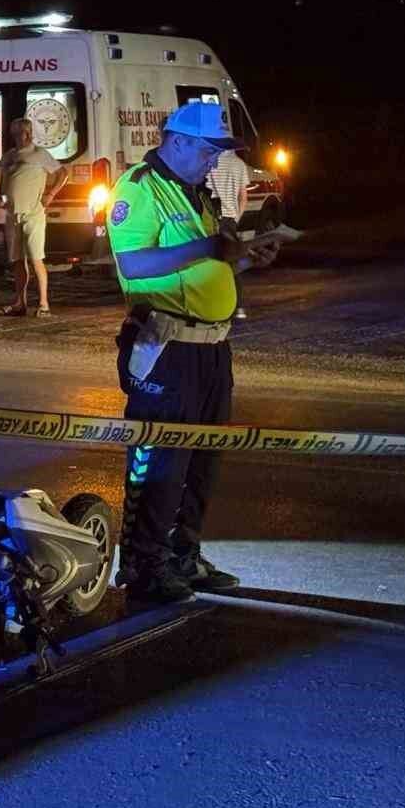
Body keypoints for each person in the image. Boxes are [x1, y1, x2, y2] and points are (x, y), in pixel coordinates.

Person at [106, 101, 280, 605]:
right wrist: (208, 250)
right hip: (166, 347)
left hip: (210, 349)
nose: (214, 163)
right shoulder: (139, 190)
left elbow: (205, 274)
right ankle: (143, 565)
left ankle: (183, 554)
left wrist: (245, 260)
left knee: (202, 463)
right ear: (176, 140)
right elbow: (134, 264)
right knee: (159, 462)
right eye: (208, 152)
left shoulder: (196, 192)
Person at [0, 116, 70, 317]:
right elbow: (3, 181)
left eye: (24, 132)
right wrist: (0, 196)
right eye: (17, 133)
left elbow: (63, 173)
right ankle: (20, 303)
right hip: (13, 215)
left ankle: (44, 303)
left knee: (36, 258)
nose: (22, 136)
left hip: (33, 214)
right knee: (17, 260)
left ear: (29, 133)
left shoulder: (40, 154)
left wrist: (51, 194)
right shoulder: (9, 156)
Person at [206, 147, 252, 319]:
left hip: (213, 218)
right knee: (232, 264)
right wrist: (235, 218)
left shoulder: (210, 161)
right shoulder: (240, 164)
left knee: (211, 264)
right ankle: (238, 307)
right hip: (231, 220)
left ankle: (215, 307)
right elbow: (243, 197)